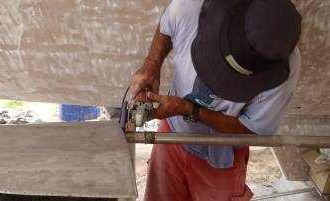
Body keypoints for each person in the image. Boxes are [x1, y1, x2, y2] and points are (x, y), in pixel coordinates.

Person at [129, 0, 302, 200]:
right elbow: (168, 23)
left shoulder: (283, 69)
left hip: (220, 152)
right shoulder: (191, 7)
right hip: (172, 135)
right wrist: (152, 63)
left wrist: (190, 110)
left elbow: (253, 127)